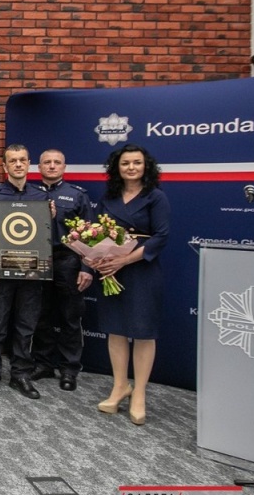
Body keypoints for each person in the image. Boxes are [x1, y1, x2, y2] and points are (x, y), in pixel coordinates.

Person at [88, 144, 170, 426]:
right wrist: (97, 258)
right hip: (111, 271)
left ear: (145, 166)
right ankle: (120, 386)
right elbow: (94, 232)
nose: (131, 168)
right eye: (125, 163)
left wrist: (124, 260)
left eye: (136, 163)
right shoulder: (108, 197)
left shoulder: (155, 197)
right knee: (116, 330)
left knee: (143, 332)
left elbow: (160, 237)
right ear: (117, 168)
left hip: (141, 271)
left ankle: (140, 394)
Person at [0, 144, 52, 400]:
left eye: (22, 160)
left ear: (29, 163)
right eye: (13, 161)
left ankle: (20, 373)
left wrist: (50, 220)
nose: (18, 164)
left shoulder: (42, 198)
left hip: (32, 274)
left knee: (25, 325)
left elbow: (47, 238)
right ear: (4, 166)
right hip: (1, 273)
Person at [31, 149, 94, 392]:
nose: (52, 166)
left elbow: (89, 235)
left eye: (57, 162)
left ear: (64, 167)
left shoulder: (77, 195)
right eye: (47, 162)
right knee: (41, 314)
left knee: (70, 316)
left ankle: (69, 368)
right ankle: (43, 362)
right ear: (39, 167)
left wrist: (87, 267)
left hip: (67, 260)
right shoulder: (31, 194)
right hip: (37, 260)